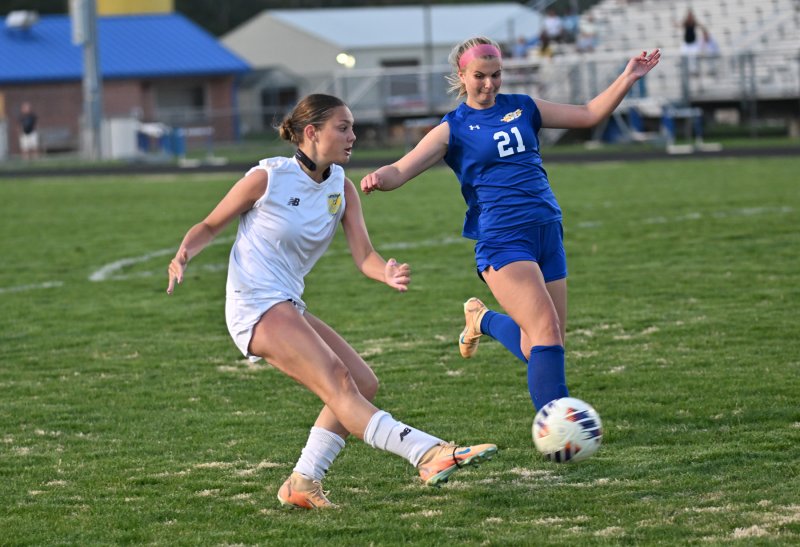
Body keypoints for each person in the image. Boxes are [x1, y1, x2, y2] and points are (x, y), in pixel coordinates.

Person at [166, 93, 496, 510]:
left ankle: (303, 482)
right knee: (339, 382)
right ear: (311, 132)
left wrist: (386, 271)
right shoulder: (268, 177)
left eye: (352, 127)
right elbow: (210, 225)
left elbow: (364, 256)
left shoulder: (341, 186)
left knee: (362, 384)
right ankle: (427, 453)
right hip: (253, 302)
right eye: (343, 127)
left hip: (286, 301)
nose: (352, 136)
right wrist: (182, 254)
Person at [360, 37, 660, 413]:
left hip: (547, 231)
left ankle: (481, 319)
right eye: (479, 76)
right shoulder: (452, 128)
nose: (489, 84)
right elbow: (402, 168)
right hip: (503, 240)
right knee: (546, 333)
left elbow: (587, 115)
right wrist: (378, 178)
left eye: (496, 75)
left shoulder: (524, 107)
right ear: (462, 75)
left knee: (540, 345)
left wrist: (628, 77)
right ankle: (558, 427)